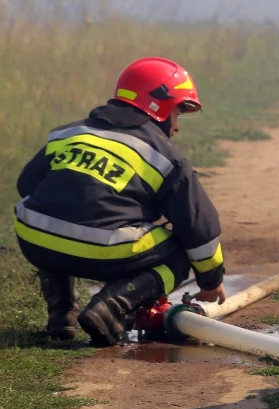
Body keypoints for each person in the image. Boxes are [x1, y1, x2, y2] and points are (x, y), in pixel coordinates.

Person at [15, 57, 227, 346]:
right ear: (160, 107)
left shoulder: (67, 133)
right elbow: (199, 227)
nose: (176, 127)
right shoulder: (165, 157)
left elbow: (25, 185)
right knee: (179, 250)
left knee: (55, 214)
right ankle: (110, 308)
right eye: (177, 114)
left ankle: (61, 315)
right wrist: (211, 281)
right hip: (100, 250)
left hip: (34, 239)